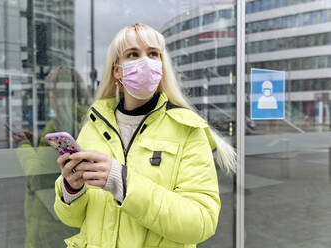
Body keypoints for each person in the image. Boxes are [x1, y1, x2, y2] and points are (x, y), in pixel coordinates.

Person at [54, 23, 236, 248]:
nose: (146, 62)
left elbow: (201, 223)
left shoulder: (188, 129)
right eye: (133, 54)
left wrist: (122, 182)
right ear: (116, 70)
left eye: (153, 54)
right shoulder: (94, 124)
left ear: (161, 65)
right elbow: (71, 219)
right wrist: (71, 188)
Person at [14, 66, 90, 247]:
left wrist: (23, 146)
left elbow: (37, 178)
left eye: (51, 92)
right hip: (73, 220)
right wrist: (36, 142)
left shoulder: (57, 125)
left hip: (48, 221)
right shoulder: (87, 119)